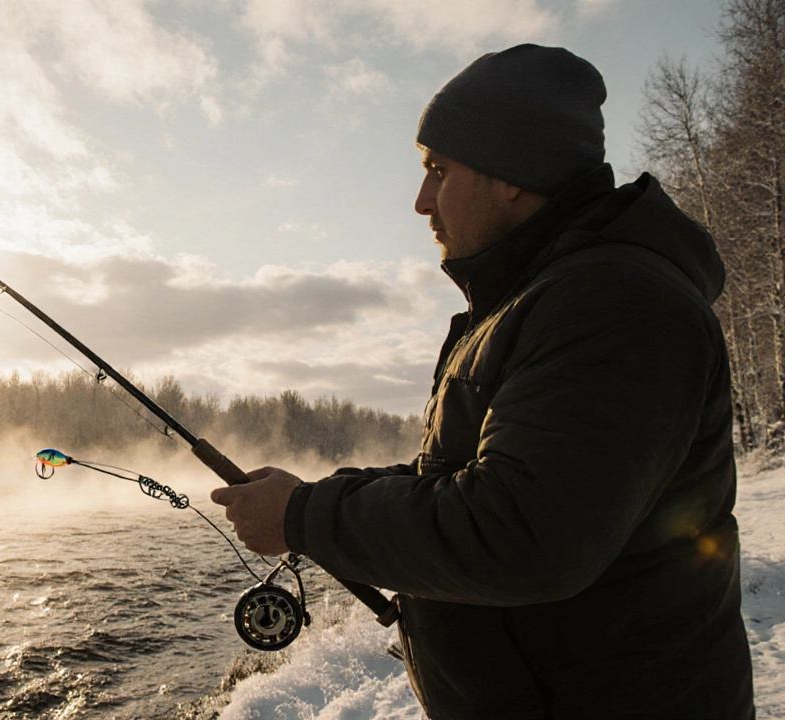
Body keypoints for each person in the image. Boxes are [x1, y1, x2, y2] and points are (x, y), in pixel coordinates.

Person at [211, 44, 755, 719]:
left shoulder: (614, 303)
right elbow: (463, 473)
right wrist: (318, 496)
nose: (420, 200)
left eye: (438, 171)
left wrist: (303, 515)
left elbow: (522, 531)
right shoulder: (542, 299)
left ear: (514, 175)